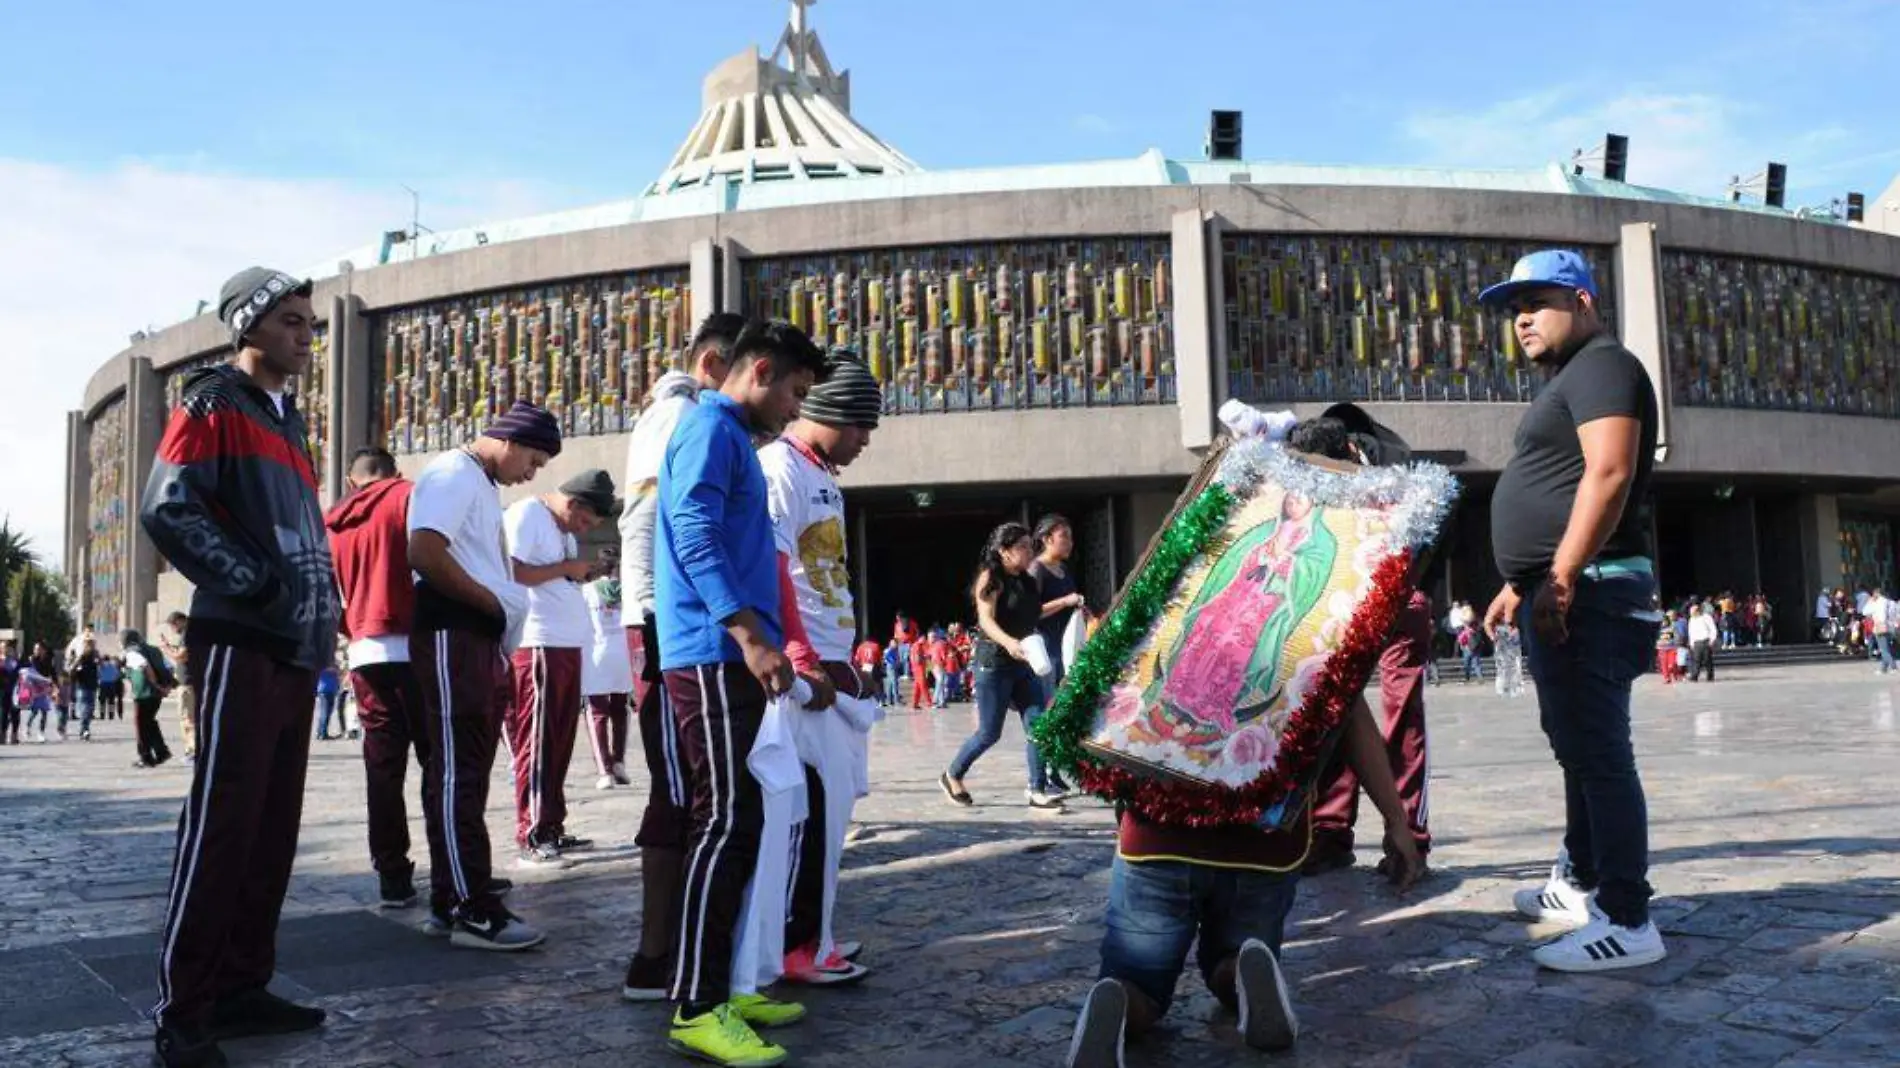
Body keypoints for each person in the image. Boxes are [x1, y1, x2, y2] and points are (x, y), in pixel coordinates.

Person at [138, 266, 343, 1066]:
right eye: (291, 320)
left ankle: (241, 984)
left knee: (271, 826)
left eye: (310, 322)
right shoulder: (212, 402)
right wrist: (253, 581)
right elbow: (168, 505)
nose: (306, 334)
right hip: (243, 641)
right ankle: (183, 1011)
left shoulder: (287, 421)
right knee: (222, 825)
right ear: (250, 325)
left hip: (297, 648)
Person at [1478, 249, 1665, 973]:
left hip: (1593, 587)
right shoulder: (1574, 375)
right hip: (1564, 586)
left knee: (1600, 752)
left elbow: (1610, 472)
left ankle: (1628, 917)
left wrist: (1557, 575)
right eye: (1512, 307)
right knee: (1578, 747)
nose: (1521, 317)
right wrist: (1524, 582)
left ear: (1584, 300)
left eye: (1538, 301)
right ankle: (1582, 881)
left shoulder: (1604, 366)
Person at [1064, 694, 1425, 1067]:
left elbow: (1104, 690)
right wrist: (1396, 821)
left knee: (1138, 978)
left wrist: (1123, 806)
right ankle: (1242, 969)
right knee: (1234, 952)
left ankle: (1121, 1000)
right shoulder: (1306, 629)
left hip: (1159, 827)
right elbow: (1350, 711)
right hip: (1264, 837)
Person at [651, 318, 827, 1065]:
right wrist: (748, 634)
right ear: (759, 372)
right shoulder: (709, 430)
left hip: (731, 651)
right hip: (712, 654)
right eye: (794, 391)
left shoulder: (732, 441)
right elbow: (692, 531)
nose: (796, 408)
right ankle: (696, 1004)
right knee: (723, 821)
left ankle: (721, 987)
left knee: (743, 819)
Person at [617, 311, 746, 1003]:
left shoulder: (678, 415)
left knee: (696, 790)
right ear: (715, 364)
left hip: (668, 621)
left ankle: (679, 953)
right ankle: (657, 956)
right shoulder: (681, 419)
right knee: (687, 792)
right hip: (668, 625)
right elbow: (671, 530)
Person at [407, 399, 554, 951]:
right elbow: (423, 550)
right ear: (511, 441)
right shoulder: (452, 472)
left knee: (465, 769)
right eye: (533, 461)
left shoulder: (476, 482)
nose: (530, 475)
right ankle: (469, 906)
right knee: (455, 773)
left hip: (472, 637)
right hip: (453, 631)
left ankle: (454, 896)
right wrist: (490, 604)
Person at [760, 351, 883, 986]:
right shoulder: (780, 468)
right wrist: (807, 660)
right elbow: (778, 566)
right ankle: (798, 945)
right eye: (861, 425)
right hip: (811, 676)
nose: (866, 439)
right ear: (831, 412)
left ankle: (818, 932)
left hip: (833, 668)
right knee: (807, 818)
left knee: (831, 815)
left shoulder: (821, 474)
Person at [1291, 409, 1434, 878]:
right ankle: (1332, 834)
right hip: (1343, 598)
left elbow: (1425, 535)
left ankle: (1406, 837)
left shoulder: (1391, 473)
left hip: (1396, 592)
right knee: (1335, 709)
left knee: (1399, 716)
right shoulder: (1312, 466)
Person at [326, 444, 435, 910]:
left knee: (383, 769)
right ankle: (455, 867)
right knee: (441, 762)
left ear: (352, 481)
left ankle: (393, 875)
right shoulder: (410, 496)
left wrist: (351, 630)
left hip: (366, 650)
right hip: (415, 641)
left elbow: (325, 592)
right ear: (395, 471)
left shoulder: (332, 521)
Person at [503, 469, 620, 869]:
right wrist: (566, 569)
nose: (585, 529)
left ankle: (551, 824)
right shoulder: (527, 515)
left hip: (566, 645)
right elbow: (512, 570)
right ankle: (532, 832)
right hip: (538, 643)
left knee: (559, 742)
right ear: (572, 503)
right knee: (536, 744)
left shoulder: (562, 531)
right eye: (585, 521)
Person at [941, 522, 1067, 811]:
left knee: (1039, 725)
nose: (1028, 552)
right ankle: (952, 775)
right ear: (1003, 551)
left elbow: (1036, 612)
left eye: (1029, 546)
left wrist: (1065, 602)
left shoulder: (1027, 580)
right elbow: (986, 620)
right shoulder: (990, 578)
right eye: (1021, 546)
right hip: (994, 663)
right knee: (989, 733)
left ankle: (1036, 790)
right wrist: (1009, 642)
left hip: (1024, 663)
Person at [1028, 514, 1086, 797]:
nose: (1070, 543)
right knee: (1046, 710)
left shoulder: (1064, 570)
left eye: (1071, 537)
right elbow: (1031, 612)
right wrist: (1065, 601)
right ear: (1047, 539)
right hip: (1045, 648)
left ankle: (1053, 769)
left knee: (1060, 709)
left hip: (1063, 648)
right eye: (1065, 537)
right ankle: (1040, 776)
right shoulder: (1036, 570)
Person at [582, 562, 634, 792]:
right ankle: (619, 762)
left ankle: (605, 771)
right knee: (621, 709)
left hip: (597, 654)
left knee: (597, 713)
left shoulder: (587, 591)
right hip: (623, 653)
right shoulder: (627, 589)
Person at [122, 630, 176, 768]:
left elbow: (145, 666)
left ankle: (145, 757)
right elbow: (168, 667)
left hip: (144, 692)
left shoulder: (132, 652)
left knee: (140, 724)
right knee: (149, 721)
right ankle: (161, 751)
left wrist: (156, 685)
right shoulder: (154, 649)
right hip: (156, 695)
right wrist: (166, 687)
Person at [157, 612, 194, 759]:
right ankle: (191, 749)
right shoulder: (190, 633)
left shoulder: (188, 633)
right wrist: (169, 647)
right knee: (188, 717)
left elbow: (181, 656)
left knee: (187, 718)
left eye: (173, 626)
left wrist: (165, 649)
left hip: (187, 683)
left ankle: (193, 750)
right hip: (188, 682)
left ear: (180, 621)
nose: (173, 629)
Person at [66, 635, 100, 741]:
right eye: (89, 643)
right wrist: (76, 667)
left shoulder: (95, 655)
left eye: (92, 643)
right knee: (85, 708)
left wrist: (98, 660)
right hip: (82, 685)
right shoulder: (82, 656)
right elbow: (72, 669)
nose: (91, 645)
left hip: (92, 686)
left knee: (90, 710)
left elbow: (101, 666)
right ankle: (84, 730)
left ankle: (84, 729)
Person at [19, 644, 56, 742]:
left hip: (45, 688)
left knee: (44, 712)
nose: (37, 651)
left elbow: (52, 672)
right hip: (34, 689)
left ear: (43, 650)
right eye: (35, 649)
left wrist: (55, 685)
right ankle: (27, 727)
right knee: (34, 711)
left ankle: (41, 733)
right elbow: (25, 672)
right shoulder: (31, 660)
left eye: (39, 649)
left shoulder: (48, 661)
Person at [1687, 604, 1718, 682]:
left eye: (1693, 612)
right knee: (1696, 660)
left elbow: (1713, 629)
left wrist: (1712, 640)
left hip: (1705, 640)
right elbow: (1691, 632)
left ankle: (1710, 675)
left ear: (1698, 611)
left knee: (1707, 660)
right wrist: (1691, 643)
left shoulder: (1706, 617)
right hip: (1696, 642)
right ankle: (1694, 676)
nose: (1692, 614)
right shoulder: (1692, 619)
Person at [314, 664, 343, 739]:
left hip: (331, 691)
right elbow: (335, 671)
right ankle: (322, 734)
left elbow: (338, 674)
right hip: (325, 690)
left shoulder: (333, 665)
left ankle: (321, 732)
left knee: (327, 713)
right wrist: (336, 669)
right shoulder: (324, 664)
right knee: (325, 713)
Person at [0, 640, 19, 744]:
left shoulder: (15, 660)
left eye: (6, 647)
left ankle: (14, 735)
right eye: (3, 647)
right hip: (2, 690)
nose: (5, 649)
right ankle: (2, 735)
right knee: (3, 713)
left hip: (15, 690)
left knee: (15, 712)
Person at [98, 653, 123, 721]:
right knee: (111, 701)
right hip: (111, 685)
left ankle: (102, 715)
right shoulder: (113, 666)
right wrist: (112, 679)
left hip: (103, 685)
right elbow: (117, 675)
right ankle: (111, 715)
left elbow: (98, 675)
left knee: (102, 701)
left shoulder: (101, 666)